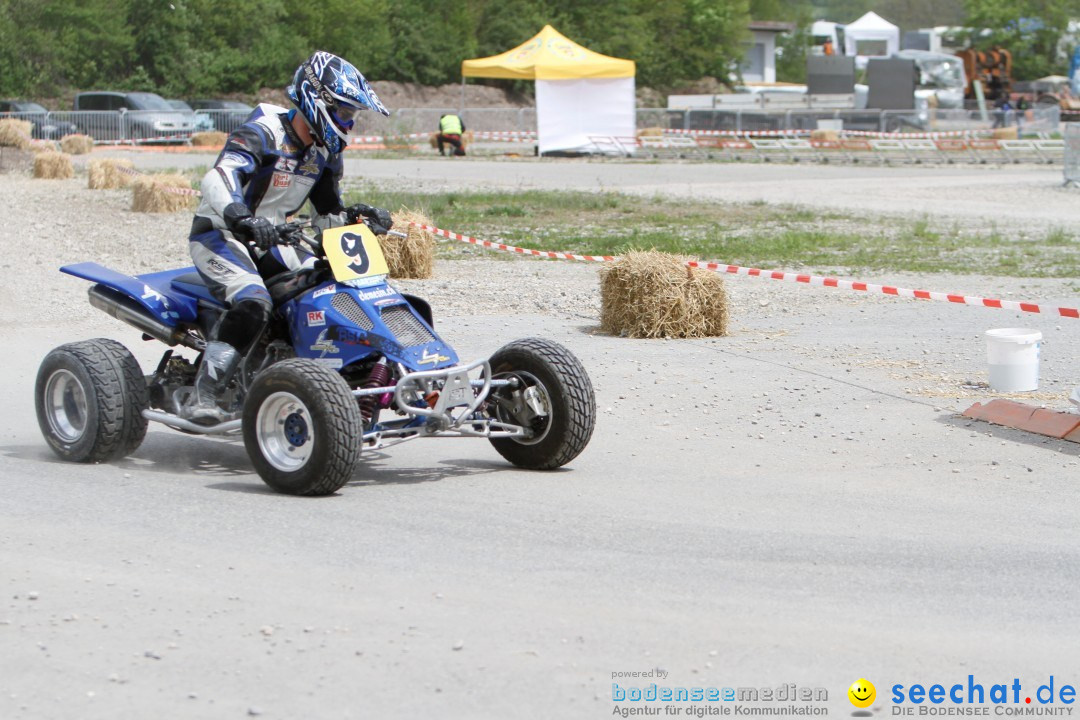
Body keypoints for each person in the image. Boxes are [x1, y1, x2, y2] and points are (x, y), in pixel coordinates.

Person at [186, 50, 393, 422]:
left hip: (276, 238)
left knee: (332, 286)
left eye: (351, 115)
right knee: (253, 302)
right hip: (221, 234)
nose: (348, 123)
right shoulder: (263, 131)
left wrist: (358, 219)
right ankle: (205, 394)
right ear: (318, 102)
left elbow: (327, 214)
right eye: (345, 113)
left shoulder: (325, 151)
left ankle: (324, 375)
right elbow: (218, 178)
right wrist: (242, 218)